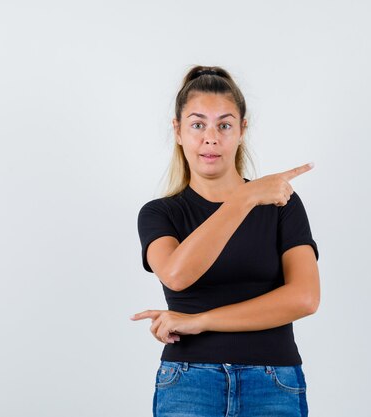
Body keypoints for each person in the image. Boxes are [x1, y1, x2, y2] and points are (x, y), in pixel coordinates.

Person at [130, 65, 320, 417]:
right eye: (198, 124)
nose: (211, 138)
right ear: (178, 131)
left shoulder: (281, 204)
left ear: (242, 130)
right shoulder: (159, 214)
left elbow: (305, 298)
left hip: (273, 381)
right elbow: (176, 274)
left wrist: (199, 320)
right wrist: (244, 198)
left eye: (225, 124)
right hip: (188, 383)